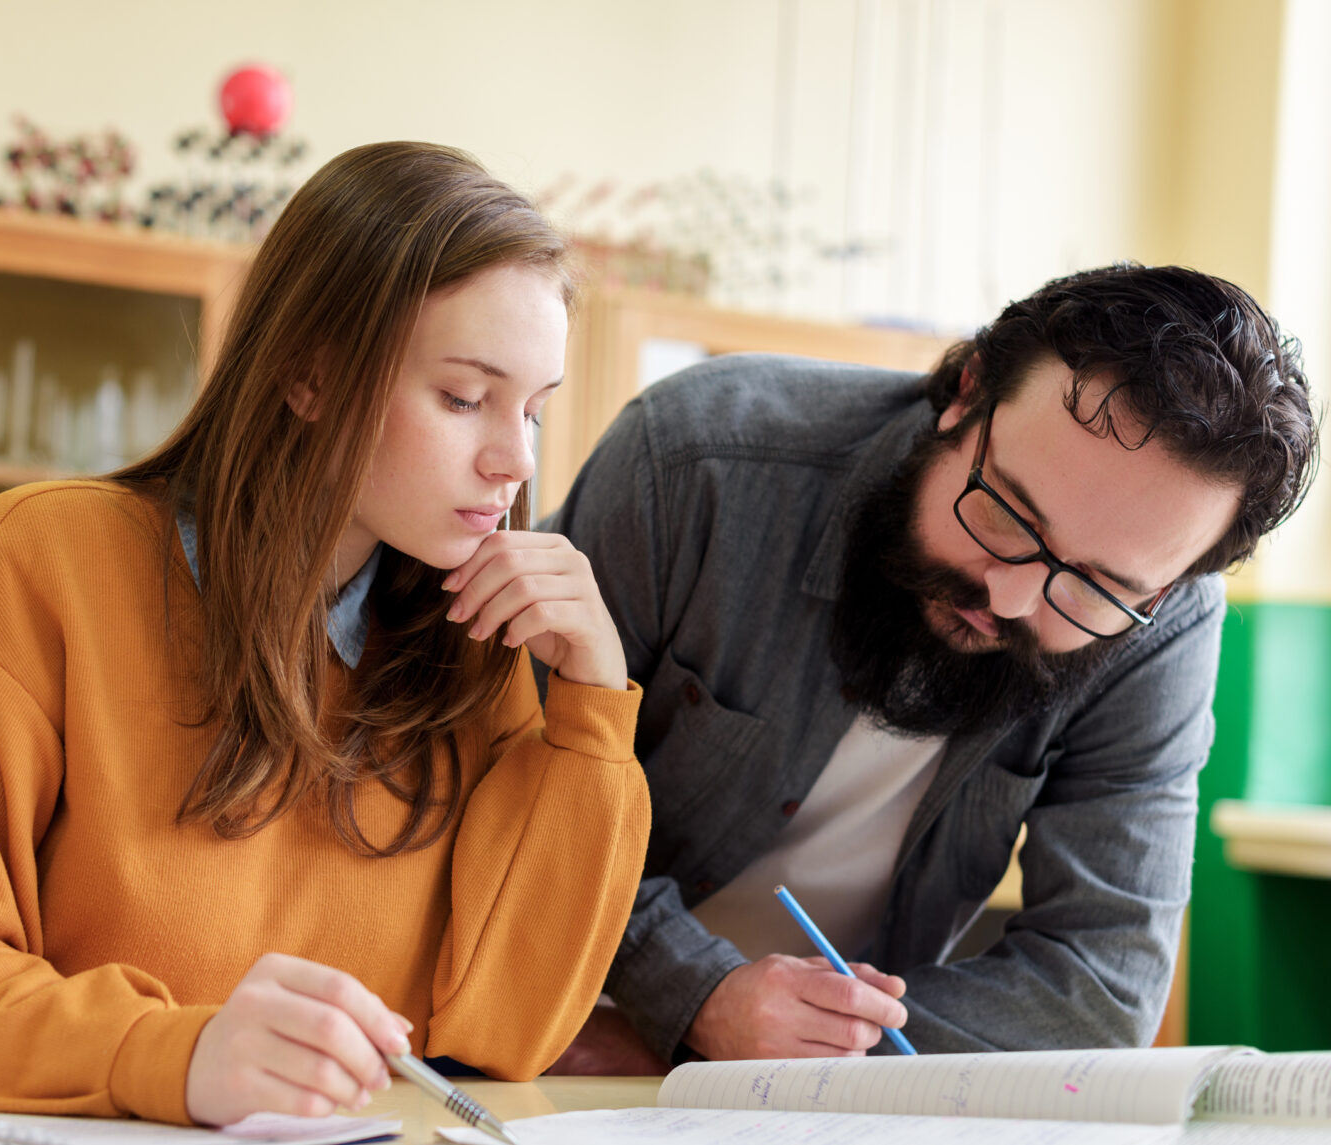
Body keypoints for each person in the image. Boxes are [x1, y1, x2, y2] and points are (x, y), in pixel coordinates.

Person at [0, 141, 650, 1127]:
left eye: (536, 411)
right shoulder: (51, 561)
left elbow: (505, 1034)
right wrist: (172, 1051)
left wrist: (592, 708)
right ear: (309, 375)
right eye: (464, 398)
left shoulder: (472, 636)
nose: (512, 460)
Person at [543, 264, 1317, 1069]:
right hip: (552, 1023)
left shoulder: (1159, 626)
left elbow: (1101, 988)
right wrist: (694, 996)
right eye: (1007, 513)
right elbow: (505, 797)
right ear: (965, 392)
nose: (1012, 596)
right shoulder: (697, 460)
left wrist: (799, 1043)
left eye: (1094, 585)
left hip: (821, 1104)